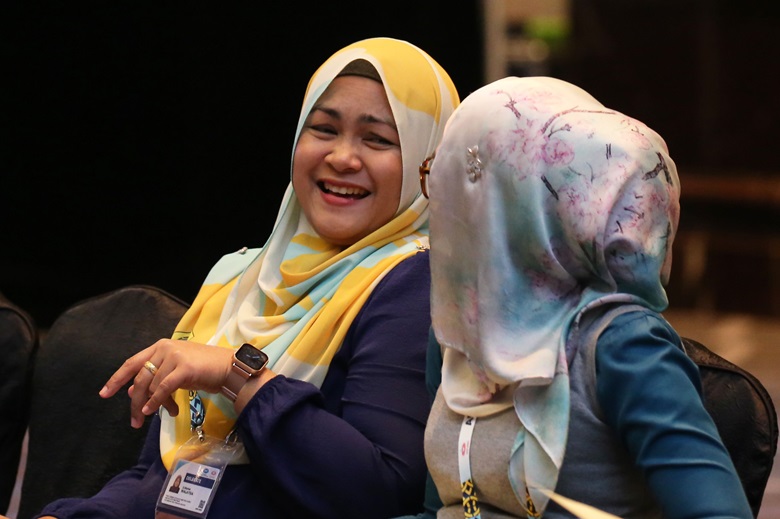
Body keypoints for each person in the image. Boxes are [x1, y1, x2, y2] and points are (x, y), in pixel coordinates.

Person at [27, 37, 459, 519]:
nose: (342, 157)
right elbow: (164, 474)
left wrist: (237, 376)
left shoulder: (412, 281)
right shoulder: (239, 277)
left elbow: (376, 492)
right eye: (323, 129)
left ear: (428, 161)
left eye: (376, 139)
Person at [420, 76, 752, 517]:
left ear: (520, 209)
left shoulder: (623, 346)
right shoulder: (464, 328)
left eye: (457, 183)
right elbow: (444, 509)